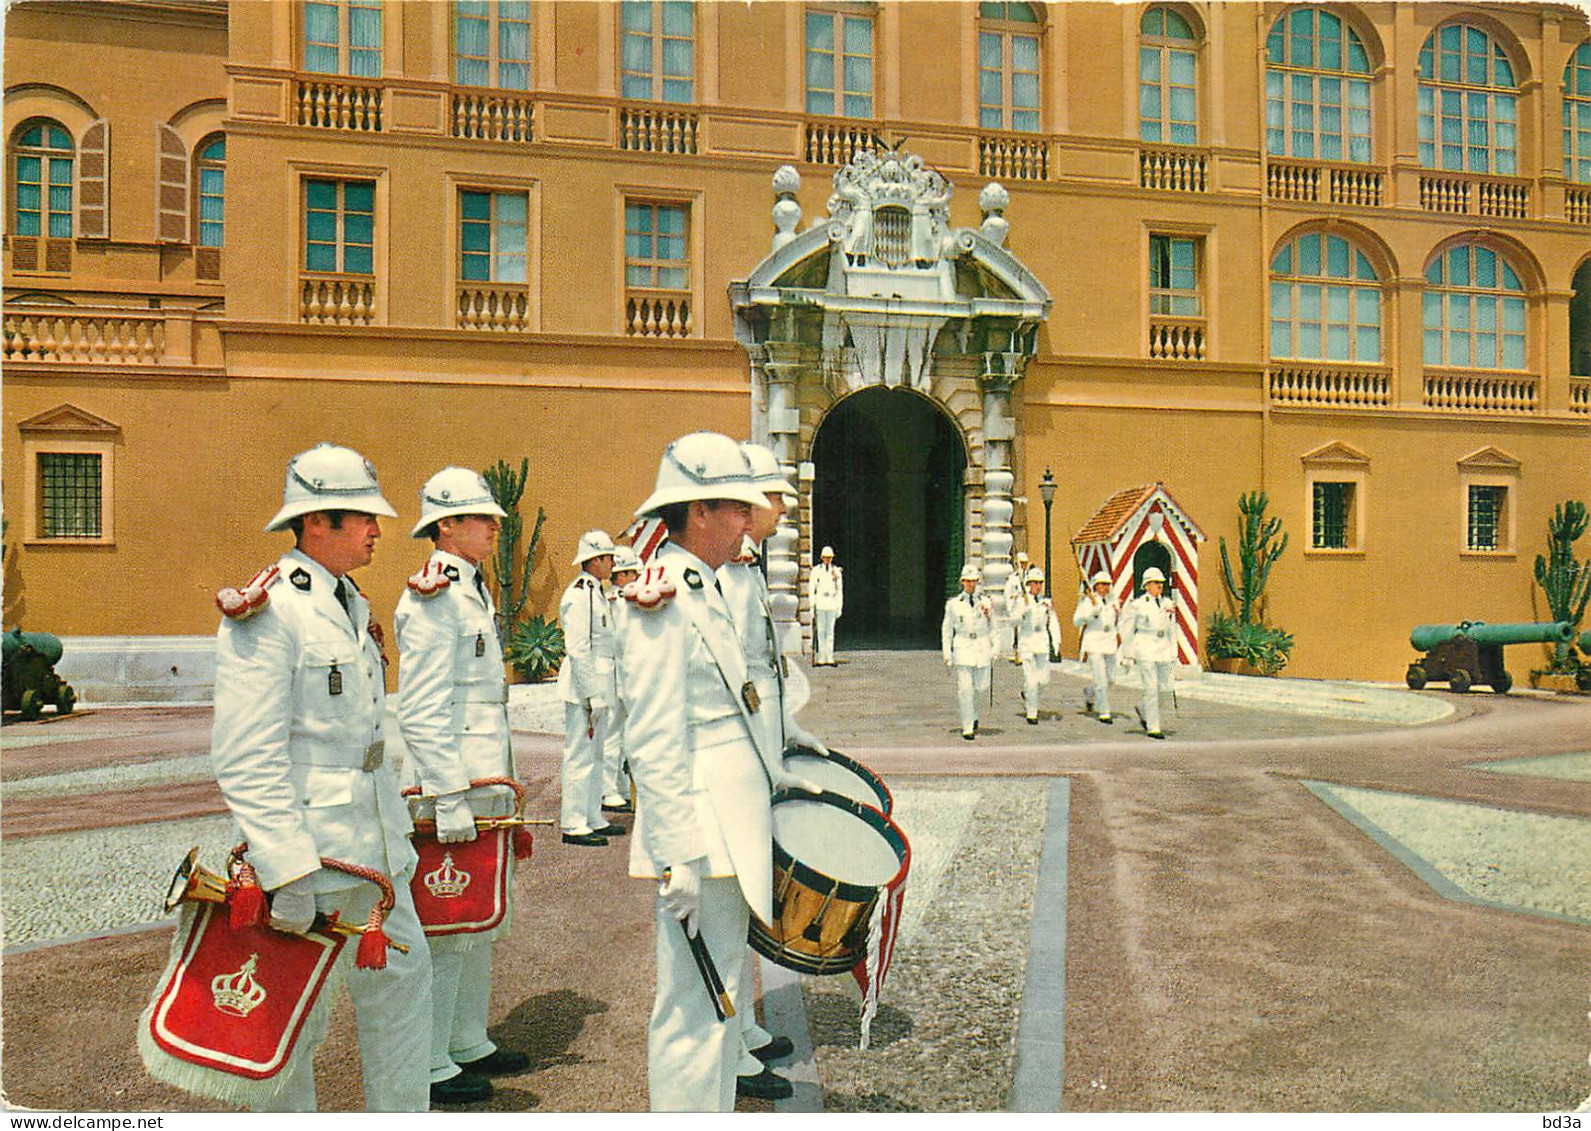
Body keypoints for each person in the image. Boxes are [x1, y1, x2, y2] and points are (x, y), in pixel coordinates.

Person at [209, 442, 431, 1111]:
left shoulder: (351, 604)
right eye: (361, 516)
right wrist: (285, 868)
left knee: (404, 994)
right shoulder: (270, 610)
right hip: (312, 854)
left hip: (376, 849)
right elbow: (247, 753)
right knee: (292, 1025)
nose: (376, 530)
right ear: (315, 523)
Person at [619, 431, 809, 1111]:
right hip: (699, 834)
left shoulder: (705, 586)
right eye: (737, 508)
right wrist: (677, 857)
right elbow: (653, 735)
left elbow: (745, 701)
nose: (748, 520)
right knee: (692, 1009)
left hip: (729, 828)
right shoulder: (663, 594)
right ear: (699, 510)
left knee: (719, 998)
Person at [393, 467, 529, 1105]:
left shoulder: (473, 589)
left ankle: (468, 1037)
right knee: (445, 924)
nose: (494, 527)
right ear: (446, 525)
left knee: (478, 921)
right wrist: (447, 795)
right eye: (481, 518)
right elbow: (420, 708)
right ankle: (429, 1061)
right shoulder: (432, 597)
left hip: (482, 781)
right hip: (451, 789)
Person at [717, 442, 826, 1101]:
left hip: (758, 754)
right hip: (736, 766)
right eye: (776, 496)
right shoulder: (727, 575)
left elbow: (766, 678)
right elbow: (733, 687)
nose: (785, 506)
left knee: (746, 908)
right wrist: (766, 755)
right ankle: (728, 1053)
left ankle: (743, 1034)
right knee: (728, 917)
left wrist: (788, 734)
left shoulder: (747, 567)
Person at [557, 530, 626, 846]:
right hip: (585, 689)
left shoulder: (596, 592)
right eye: (608, 557)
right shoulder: (580, 594)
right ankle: (573, 822)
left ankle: (592, 816)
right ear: (595, 560)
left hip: (600, 686)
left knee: (596, 754)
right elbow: (579, 648)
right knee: (580, 755)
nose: (612, 563)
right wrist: (591, 694)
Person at [600, 545, 642, 815]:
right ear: (622, 575)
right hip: (618, 676)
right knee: (613, 735)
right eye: (631, 572)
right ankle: (608, 790)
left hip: (629, 675)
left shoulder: (623, 599)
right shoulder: (617, 602)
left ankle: (622, 787)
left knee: (627, 734)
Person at [1118, 566, 1177, 740]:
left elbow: (1172, 629)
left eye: (1161, 583)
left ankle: (1143, 708)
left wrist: (1174, 652)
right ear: (1147, 585)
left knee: (1165, 688)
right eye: (1155, 583)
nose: (1159, 586)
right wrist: (1127, 654)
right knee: (1151, 688)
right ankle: (1153, 727)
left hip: (1163, 649)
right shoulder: (1137, 605)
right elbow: (1127, 630)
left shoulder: (1167, 604)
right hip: (1145, 647)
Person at [941, 562, 994, 740]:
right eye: (968, 581)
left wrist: (995, 648)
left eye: (974, 581)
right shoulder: (954, 604)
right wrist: (947, 653)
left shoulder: (986, 603)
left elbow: (993, 627)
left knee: (981, 687)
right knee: (965, 689)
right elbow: (947, 629)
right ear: (962, 582)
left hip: (981, 647)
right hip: (963, 647)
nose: (971, 584)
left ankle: (973, 714)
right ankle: (967, 726)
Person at [1013, 567, 1061, 724]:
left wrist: (1056, 641)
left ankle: (1027, 694)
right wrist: (1023, 612)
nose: (1038, 586)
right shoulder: (1021, 601)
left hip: (1042, 643)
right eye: (1035, 583)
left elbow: (1053, 622)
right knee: (1032, 680)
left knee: (1044, 680)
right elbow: (1013, 621)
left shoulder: (1045, 603)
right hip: (1027, 642)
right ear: (1028, 584)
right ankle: (1031, 713)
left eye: (1040, 583)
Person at [1073, 570, 1121, 725]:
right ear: (1095, 586)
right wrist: (1092, 612)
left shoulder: (1114, 602)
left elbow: (1117, 622)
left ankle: (1090, 693)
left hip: (1110, 643)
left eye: (1107, 584)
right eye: (1101, 584)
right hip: (1094, 643)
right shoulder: (1087, 602)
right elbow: (1077, 621)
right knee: (1101, 680)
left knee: (1111, 679)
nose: (1105, 588)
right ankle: (1104, 711)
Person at [808, 546, 843, 666]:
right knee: (821, 631)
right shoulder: (816, 571)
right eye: (826, 557)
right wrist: (811, 606)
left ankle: (830, 656)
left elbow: (839, 590)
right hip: (821, 602)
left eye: (830, 557)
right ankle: (821, 656)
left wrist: (839, 606)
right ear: (822, 558)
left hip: (831, 602)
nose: (828, 560)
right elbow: (812, 589)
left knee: (830, 632)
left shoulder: (836, 571)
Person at [1003, 550, 1031, 663]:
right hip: (1016, 606)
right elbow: (1007, 593)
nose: (1023, 565)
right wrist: (1010, 606)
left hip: (1026, 604)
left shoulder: (1029, 577)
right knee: (1017, 631)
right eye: (1021, 562)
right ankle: (1017, 654)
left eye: (1025, 563)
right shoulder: (1013, 578)